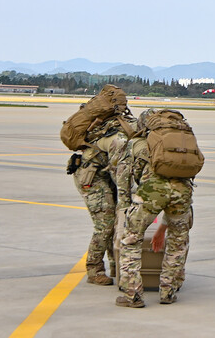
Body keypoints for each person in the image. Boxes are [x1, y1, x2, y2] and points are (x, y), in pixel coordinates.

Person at [115, 109, 194, 308]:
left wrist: (124, 208)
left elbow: (123, 177)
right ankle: (168, 291)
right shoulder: (180, 140)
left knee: (131, 241)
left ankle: (133, 295)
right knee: (178, 242)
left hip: (152, 191)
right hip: (183, 191)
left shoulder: (137, 143)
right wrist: (164, 226)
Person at [66, 92, 132, 286]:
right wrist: (126, 199)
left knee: (116, 220)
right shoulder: (120, 138)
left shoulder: (123, 126)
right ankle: (94, 269)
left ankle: (116, 266)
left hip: (103, 173)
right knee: (106, 223)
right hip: (91, 177)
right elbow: (120, 172)